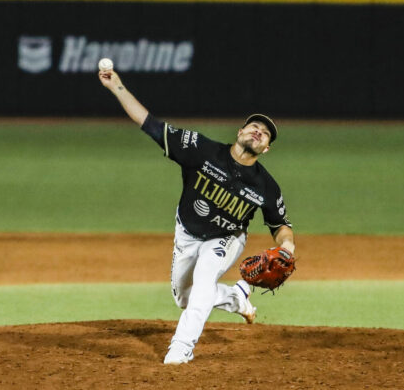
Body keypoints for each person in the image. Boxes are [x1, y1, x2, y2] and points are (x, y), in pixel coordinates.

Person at [98, 67, 295, 365]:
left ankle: (181, 349)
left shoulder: (266, 186)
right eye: (254, 126)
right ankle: (236, 298)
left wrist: (287, 247)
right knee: (184, 298)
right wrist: (118, 87)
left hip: (226, 238)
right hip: (187, 233)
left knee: (204, 282)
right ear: (240, 132)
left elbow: (280, 226)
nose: (258, 131)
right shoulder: (200, 149)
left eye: (265, 133)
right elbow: (149, 124)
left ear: (265, 148)